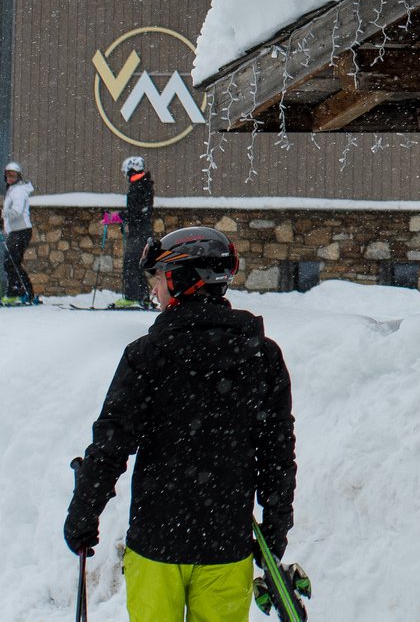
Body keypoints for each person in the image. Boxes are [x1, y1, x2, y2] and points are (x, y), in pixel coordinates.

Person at [65, 227, 296, 622]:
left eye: (157, 278)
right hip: (226, 543)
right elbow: (276, 450)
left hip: (158, 543)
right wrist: (276, 524)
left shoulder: (148, 355)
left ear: (181, 279)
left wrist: (84, 512)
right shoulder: (261, 355)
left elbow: (111, 444)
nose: (154, 290)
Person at [119, 154, 156, 308]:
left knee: (130, 264)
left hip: (139, 232)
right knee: (137, 264)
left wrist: (118, 217)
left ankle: (132, 297)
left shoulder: (138, 187)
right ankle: (142, 297)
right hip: (142, 230)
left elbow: (136, 212)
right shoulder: (143, 185)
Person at [2, 160, 35, 304]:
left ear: (19, 176)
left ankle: (19, 292)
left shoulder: (19, 190)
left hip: (21, 230)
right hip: (16, 231)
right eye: (8, 175)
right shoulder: (12, 189)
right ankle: (21, 292)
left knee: (11, 263)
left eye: (13, 175)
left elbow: (16, 211)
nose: (10, 178)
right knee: (12, 263)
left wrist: (2, 213)